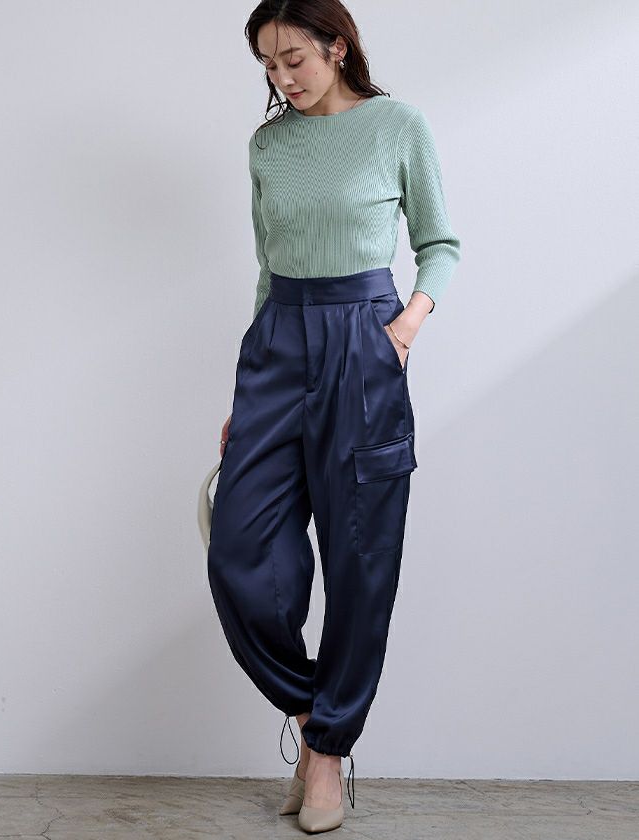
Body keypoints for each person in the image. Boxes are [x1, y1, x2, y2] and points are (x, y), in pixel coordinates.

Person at [207, 1, 461, 833]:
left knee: (359, 556)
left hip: (365, 341)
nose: (281, 78)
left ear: (337, 46)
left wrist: (405, 328)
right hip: (277, 343)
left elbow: (441, 244)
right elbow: (267, 265)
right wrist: (246, 398)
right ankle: (318, 712)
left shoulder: (397, 126)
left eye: (294, 59)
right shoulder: (268, 146)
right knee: (239, 551)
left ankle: (325, 755)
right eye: (267, 64)